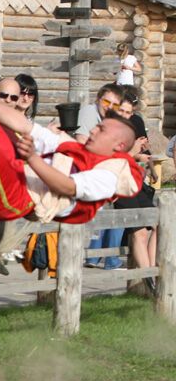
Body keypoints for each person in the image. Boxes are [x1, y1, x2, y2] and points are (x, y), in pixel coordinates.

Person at [0, 71, 143, 238]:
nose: (92, 129)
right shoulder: (74, 147)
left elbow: (69, 187)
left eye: (100, 129)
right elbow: (24, 125)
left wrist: (32, 159)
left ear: (119, 146)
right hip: (18, 175)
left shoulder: (110, 175)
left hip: (22, 198)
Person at [75, 84, 125, 269]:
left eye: (114, 104)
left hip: (104, 171)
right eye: (106, 101)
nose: (109, 106)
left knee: (110, 211)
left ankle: (100, 257)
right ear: (98, 99)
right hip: (87, 170)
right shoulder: (89, 113)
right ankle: (95, 256)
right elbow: (82, 142)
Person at [112, 104, 157, 292]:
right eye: (122, 110)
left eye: (129, 112)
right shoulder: (110, 129)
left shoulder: (133, 125)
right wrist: (135, 152)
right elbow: (113, 158)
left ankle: (152, 271)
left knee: (157, 224)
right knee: (139, 231)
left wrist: (145, 158)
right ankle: (149, 279)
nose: (126, 115)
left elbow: (138, 155)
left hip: (136, 182)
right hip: (120, 183)